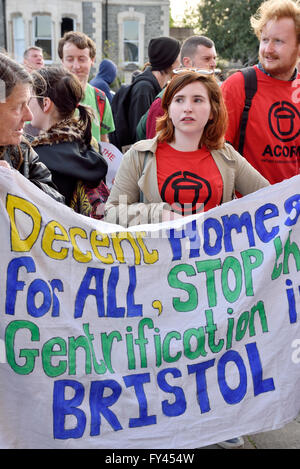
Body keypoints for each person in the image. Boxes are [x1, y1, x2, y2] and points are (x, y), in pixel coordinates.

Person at [221, 0, 300, 185]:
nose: (268, 50)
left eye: (278, 41)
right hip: (247, 210)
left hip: (292, 209)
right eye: (265, 40)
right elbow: (216, 154)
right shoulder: (238, 86)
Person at [27, 65, 108, 211]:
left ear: (45, 103)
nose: (27, 105)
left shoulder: (36, 158)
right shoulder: (91, 145)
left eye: (30, 97)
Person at [0, 52, 64, 203]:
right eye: (17, 107)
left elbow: (57, 204)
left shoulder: (22, 149)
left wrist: (17, 185)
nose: (29, 116)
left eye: (28, 104)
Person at [136, 36, 218, 140]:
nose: (213, 64)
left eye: (214, 58)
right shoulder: (164, 101)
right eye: (207, 59)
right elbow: (153, 148)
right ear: (187, 62)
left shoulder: (212, 95)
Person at [111, 36, 180, 150]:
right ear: (170, 59)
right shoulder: (144, 89)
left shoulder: (153, 86)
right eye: (178, 56)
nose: (180, 62)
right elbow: (141, 135)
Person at [58, 31, 115, 143]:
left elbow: (104, 142)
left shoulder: (100, 99)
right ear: (62, 61)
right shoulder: (49, 98)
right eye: (70, 59)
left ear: (92, 60)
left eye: (81, 59)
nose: (76, 66)